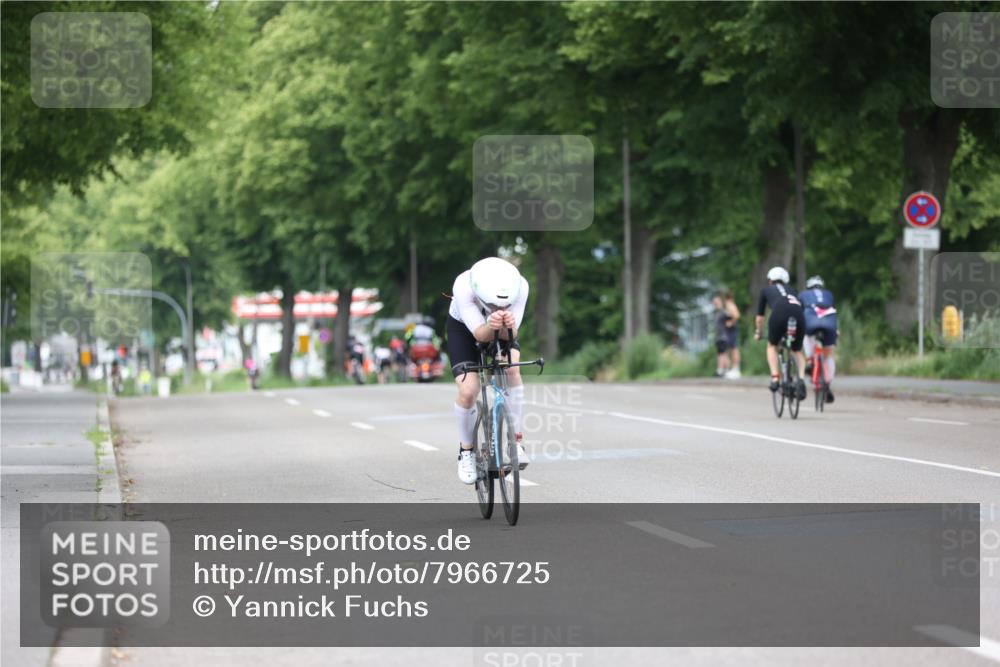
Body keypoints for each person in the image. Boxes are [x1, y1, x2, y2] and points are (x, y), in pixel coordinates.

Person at [448, 257, 529, 484]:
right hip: (465, 329)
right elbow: (480, 335)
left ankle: (515, 441)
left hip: (501, 328)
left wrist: (508, 325)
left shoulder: (521, 286)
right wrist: (492, 324)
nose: (499, 309)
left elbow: (511, 335)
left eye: (504, 306)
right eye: (493, 306)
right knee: (468, 390)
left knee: (511, 370)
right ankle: (466, 451)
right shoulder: (463, 286)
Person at [754, 266, 807, 399]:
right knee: (797, 350)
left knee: (772, 345)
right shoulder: (793, 290)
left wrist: (759, 332)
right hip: (798, 315)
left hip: (779, 314)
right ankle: (801, 380)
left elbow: (760, 318)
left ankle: (775, 378)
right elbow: (801, 307)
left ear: (770, 280)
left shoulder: (766, 290)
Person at [799, 275, 838, 403]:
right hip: (830, 323)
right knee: (829, 355)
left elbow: (799, 313)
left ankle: (810, 360)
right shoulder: (829, 294)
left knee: (806, 335)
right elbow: (834, 311)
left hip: (811, 322)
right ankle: (827, 383)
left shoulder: (803, 294)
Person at [712, 290, 741, 378]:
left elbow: (737, 315)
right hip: (730, 331)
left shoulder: (729, 304)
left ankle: (736, 368)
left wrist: (731, 323)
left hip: (732, 330)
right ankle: (733, 368)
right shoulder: (727, 306)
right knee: (731, 349)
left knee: (734, 348)